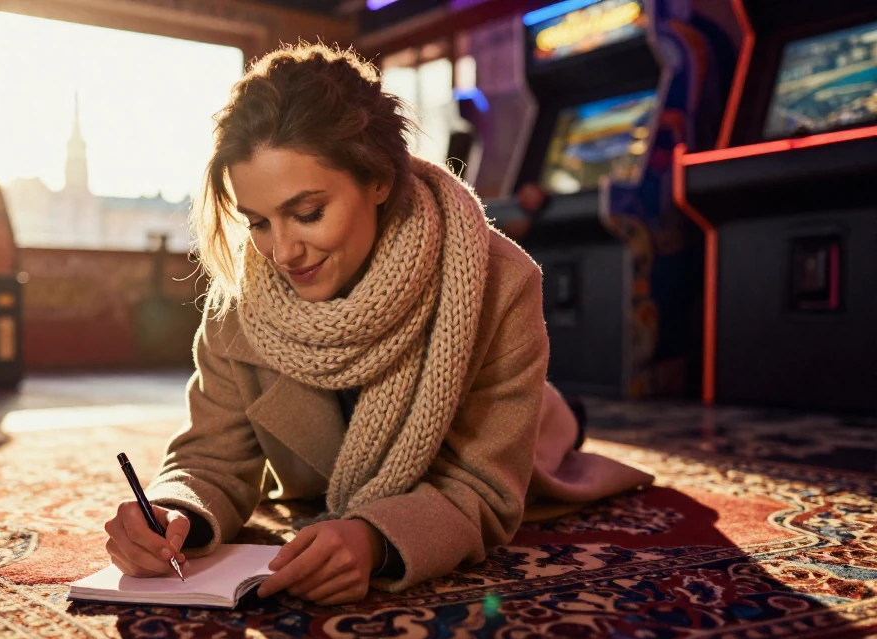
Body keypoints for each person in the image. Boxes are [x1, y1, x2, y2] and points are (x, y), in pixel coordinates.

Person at [102, 43, 652, 606]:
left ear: (379, 179)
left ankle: (566, 410)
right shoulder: (241, 303)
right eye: (259, 221)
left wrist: (372, 539)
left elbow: (482, 487)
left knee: (551, 421)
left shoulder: (500, 284)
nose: (282, 252)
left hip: (530, 423)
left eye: (308, 212)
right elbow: (210, 459)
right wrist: (172, 514)